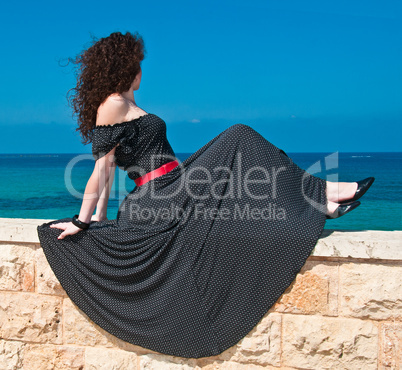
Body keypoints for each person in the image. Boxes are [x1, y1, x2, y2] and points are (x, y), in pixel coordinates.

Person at [37, 31, 375, 359]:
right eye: (138, 65)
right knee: (239, 137)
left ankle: (321, 202)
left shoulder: (128, 103)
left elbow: (110, 169)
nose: (142, 71)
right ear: (126, 67)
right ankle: (323, 192)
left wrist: (101, 219)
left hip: (175, 184)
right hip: (157, 197)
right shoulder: (111, 105)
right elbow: (103, 168)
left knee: (248, 175)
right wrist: (85, 222)